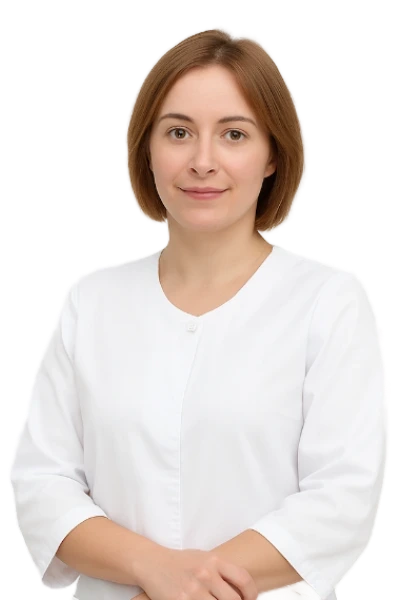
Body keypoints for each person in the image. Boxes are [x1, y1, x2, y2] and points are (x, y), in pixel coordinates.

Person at [9, 26, 388, 600]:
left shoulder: (329, 300)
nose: (202, 161)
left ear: (272, 155)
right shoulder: (93, 299)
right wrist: (153, 570)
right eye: (179, 132)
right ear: (147, 149)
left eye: (234, 134)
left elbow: (343, 498)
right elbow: (43, 484)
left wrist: (190, 589)